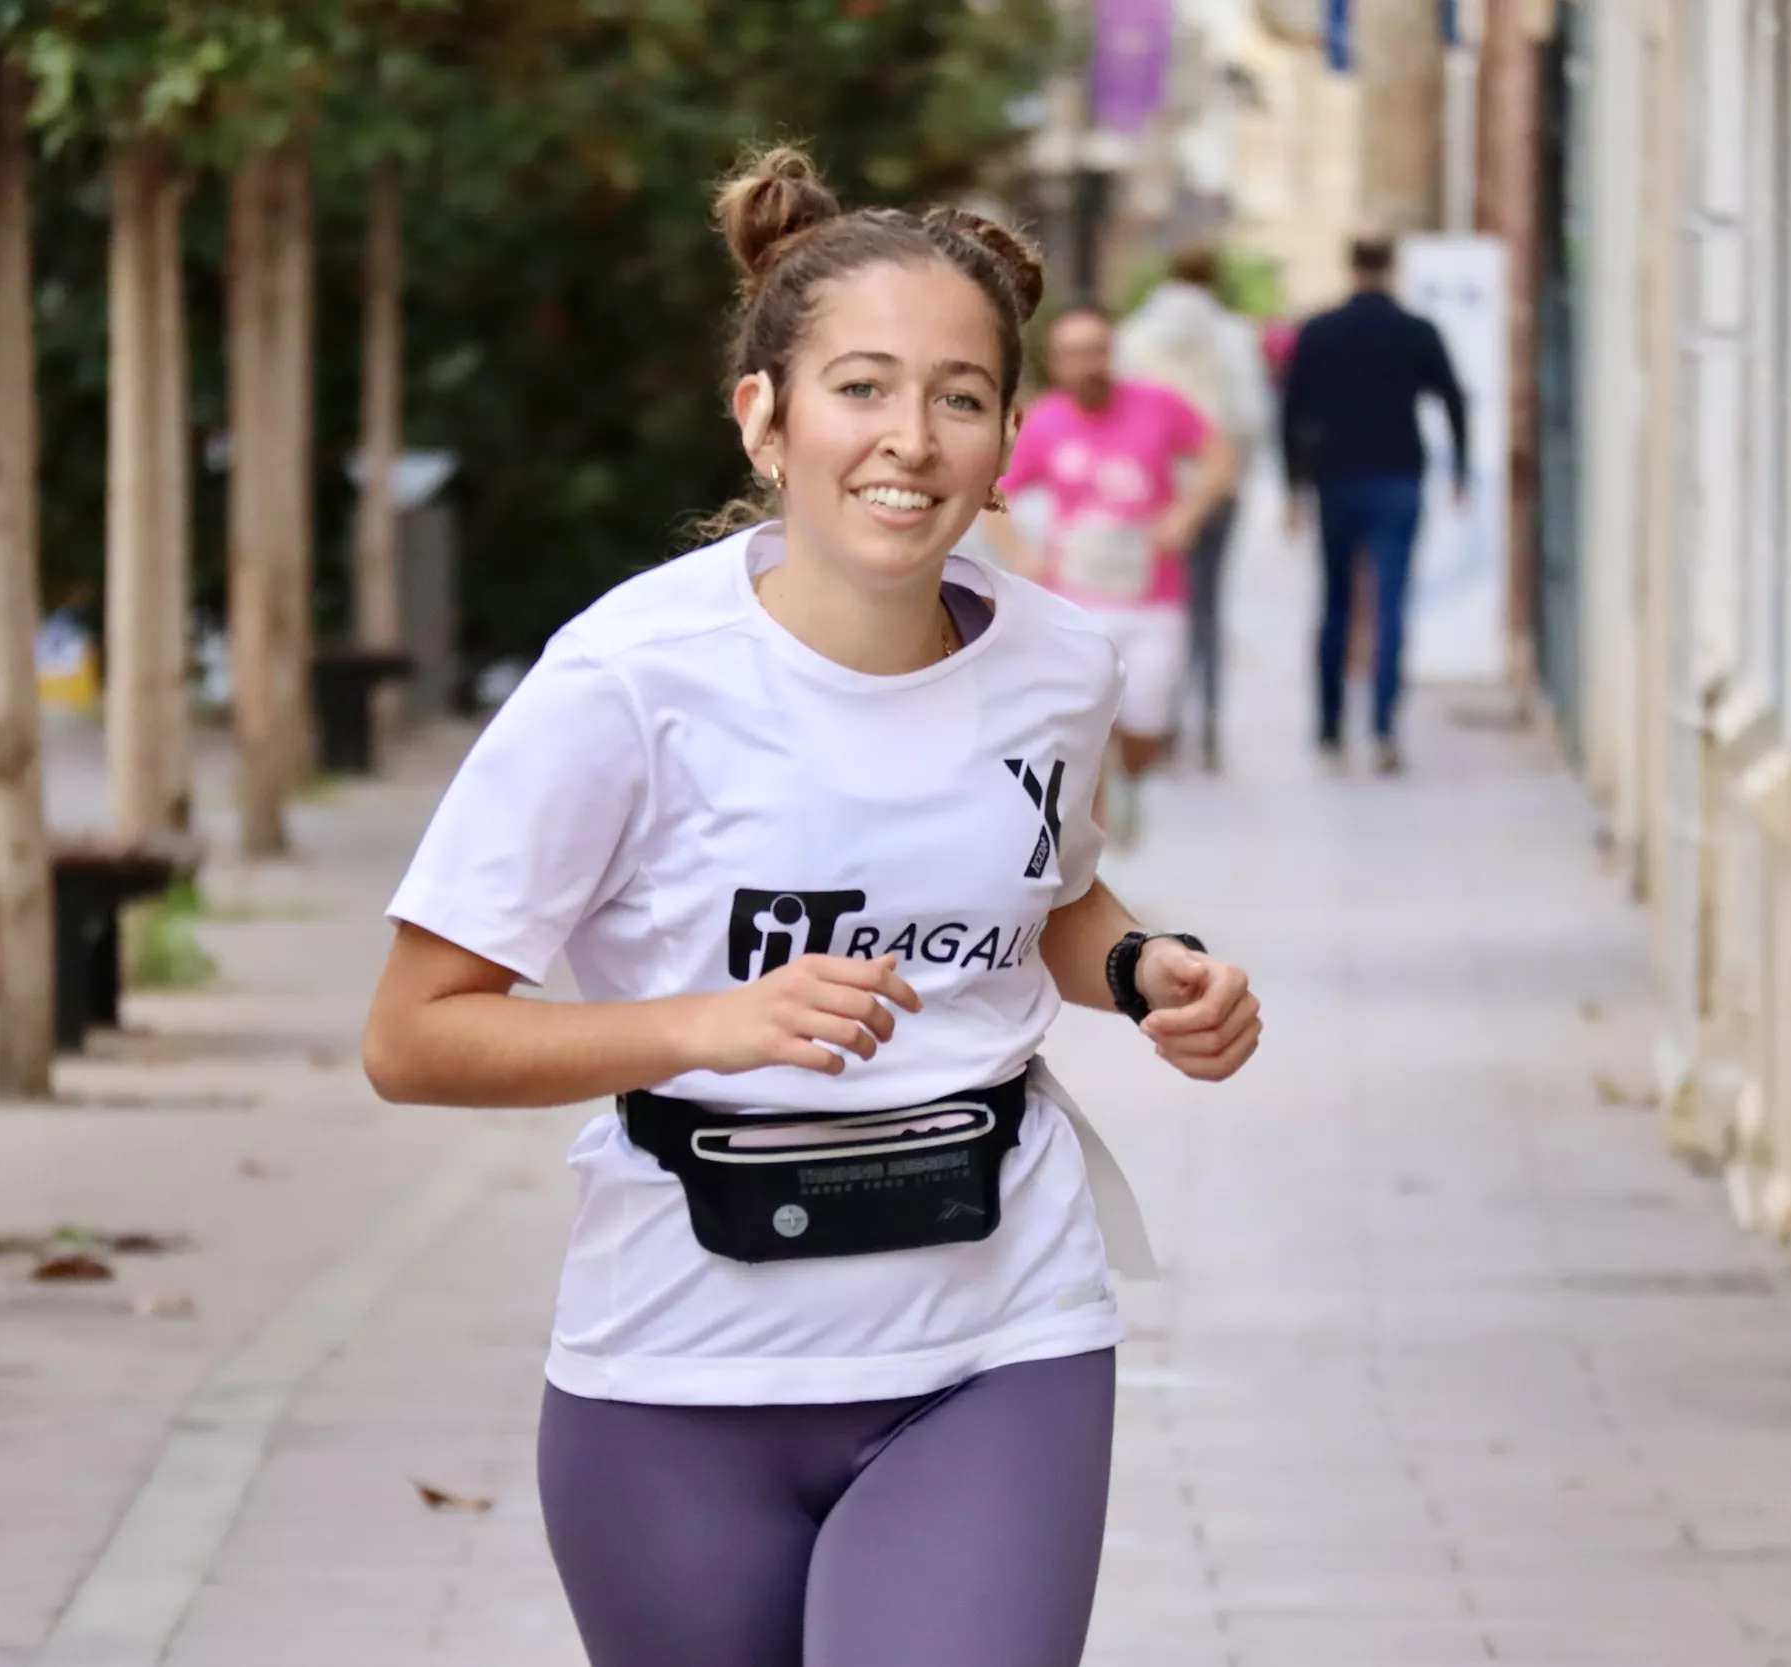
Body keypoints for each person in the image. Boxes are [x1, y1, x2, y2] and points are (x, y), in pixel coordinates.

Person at [362, 146, 1263, 1667]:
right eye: (861, 388)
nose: (910, 439)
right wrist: (706, 1023)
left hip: (996, 1331)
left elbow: (1045, 888)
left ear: (1007, 439)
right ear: (765, 420)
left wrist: (1142, 960)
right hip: (677, 1366)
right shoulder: (626, 680)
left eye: (960, 396)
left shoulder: (1059, 666)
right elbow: (412, 1034)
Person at [983, 305, 1240, 841]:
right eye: (1073, 354)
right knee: (1086, 727)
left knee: (1146, 723)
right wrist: (1019, 553)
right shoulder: (1043, 421)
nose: (1088, 364)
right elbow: (991, 491)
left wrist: (1186, 515)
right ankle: (1094, 836)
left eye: (1097, 350)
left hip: (1153, 597)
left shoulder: (1158, 405)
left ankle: (1134, 776)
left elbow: (1219, 457)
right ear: (1055, 362)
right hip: (1074, 603)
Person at [1279, 233, 1468, 774]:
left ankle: (1330, 727)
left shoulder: (1319, 332)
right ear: (1392, 266)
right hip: (1398, 478)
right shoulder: (1415, 331)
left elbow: (1292, 413)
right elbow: (1454, 398)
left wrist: (1294, 486)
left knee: (1335, 605)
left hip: (1336, 479)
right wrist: (1459, 468)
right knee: (1390, 607)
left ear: (1349, 265)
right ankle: (1384, 728)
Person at [1114, 245, 1273, 773]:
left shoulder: (1135, 335)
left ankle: (1161, 723)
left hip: (1151, 490)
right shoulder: (1232, 336)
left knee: (1158, 606)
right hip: (1216, 485)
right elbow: (1249, 415)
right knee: (1207, 605)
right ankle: (1208, 723)